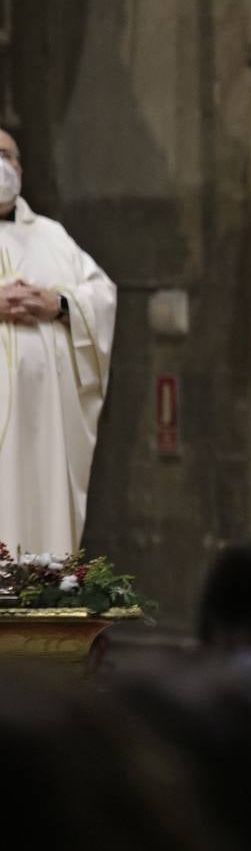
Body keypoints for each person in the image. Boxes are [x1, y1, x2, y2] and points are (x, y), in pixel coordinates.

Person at [0, 127, 116, 556]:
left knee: (40, 503)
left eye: (7, 155)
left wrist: (60, 303)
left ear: (21, 169)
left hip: (46, 423)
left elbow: (100, 296)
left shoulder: (52, 236)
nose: (1, 165)